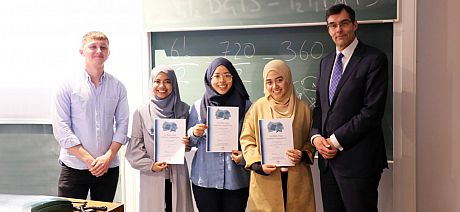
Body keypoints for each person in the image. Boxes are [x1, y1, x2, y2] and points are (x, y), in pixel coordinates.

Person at [310, 4, 389, 212]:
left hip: (359, 162)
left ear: (355, 25)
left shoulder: (373, 59)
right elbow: (320, 107)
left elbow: (371, 112)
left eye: (344, 23)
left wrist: (334, 141)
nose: (338, 30)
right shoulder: (325, 63)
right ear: (328, 29)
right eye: (332, 25)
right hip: (328, 165)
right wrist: (316, 137)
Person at [52, 31, 129, 202]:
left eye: (103, 47)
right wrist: (89, 160)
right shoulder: (67, 85)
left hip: (107, 167)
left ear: (108, 52)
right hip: (74, 166)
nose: (99, 51)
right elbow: (61, 128)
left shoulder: (118, 87)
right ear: (82, 52)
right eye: (93, 46)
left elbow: (123, 124)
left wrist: (108, 157)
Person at [240, 59, 316, 212]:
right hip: (266, 182)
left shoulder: (303, 108)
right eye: (269, 82)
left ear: (287, 79)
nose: (274, 86)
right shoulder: (257, 108)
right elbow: (247, 140)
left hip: (297, 181)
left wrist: (302, 154)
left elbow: (311, 140)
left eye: (279, 80)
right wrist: (257, 165)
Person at [125, 65, 194, 212]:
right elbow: (134, 149)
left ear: (174, 84)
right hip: (152, 175)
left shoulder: (183, 110)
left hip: (178, 174)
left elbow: (190, 142)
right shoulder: (141, 112)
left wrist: (187, 143)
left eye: (167, 81)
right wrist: (151, 165)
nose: (162, 86)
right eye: (157, 81)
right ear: (152, 83)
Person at [188, 57, 251, 212]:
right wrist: (194, 133)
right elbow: (189, 144)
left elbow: (253, 141)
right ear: (209, 79)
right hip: (205, 178)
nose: (222, 80)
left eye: (227, 75)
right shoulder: (197, 106)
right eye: (216, 76)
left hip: (236, 178)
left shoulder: (248, 106)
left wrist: (244, 157)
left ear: (233, 77)